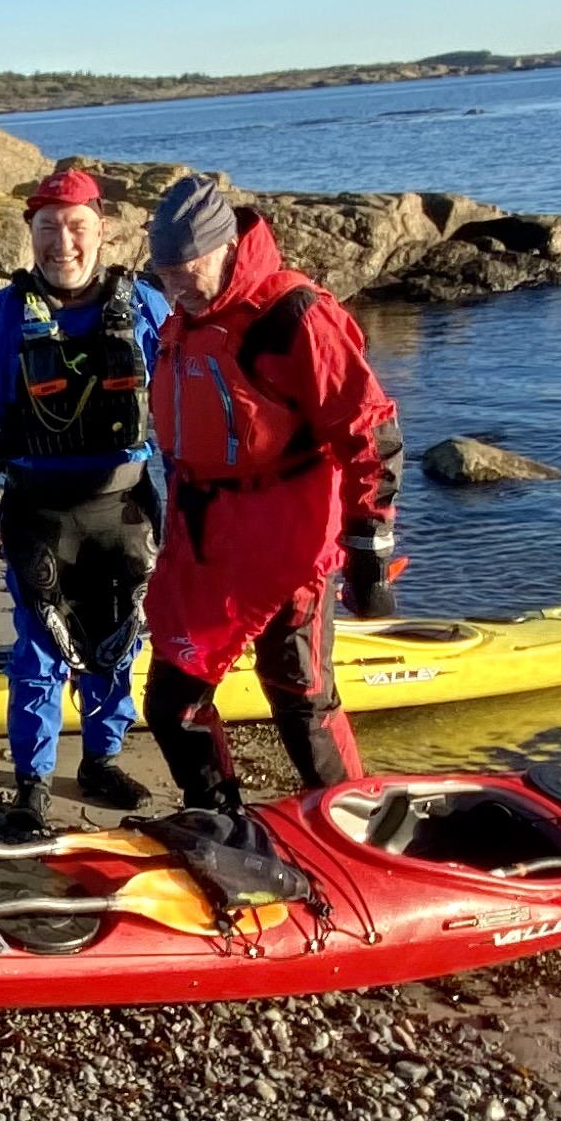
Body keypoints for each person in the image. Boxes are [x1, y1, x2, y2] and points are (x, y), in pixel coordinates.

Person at [138, 171, 403, 811]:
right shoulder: (186, 318)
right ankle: (217, 816)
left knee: (299, 690)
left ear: (226, 249)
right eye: (165, 273)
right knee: (172, 699)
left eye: (188, 269)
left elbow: (370, 432)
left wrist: (369, 550)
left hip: (291, 541)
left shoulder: (295, 317)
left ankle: (351, 820)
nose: (176, 287)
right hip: (209, 540)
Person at [0, 164, 177, 837]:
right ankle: (32, 785)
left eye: (77, 227)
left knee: (119, 640)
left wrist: (205, 501)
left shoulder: (150, 309)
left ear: (103, 230)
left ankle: (102, 761)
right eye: (49, 229)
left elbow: (188, 407)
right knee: (40, 653)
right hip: (38, 512)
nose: (63, 243)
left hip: (126, 509)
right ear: (30, 233)